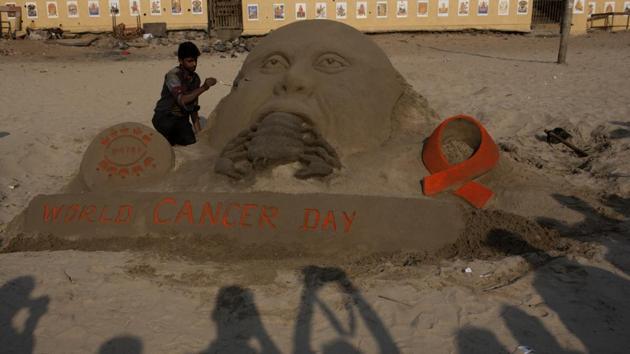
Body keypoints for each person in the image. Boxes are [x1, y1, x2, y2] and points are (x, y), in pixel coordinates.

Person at [152, 41, 216, 146]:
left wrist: (199, 133)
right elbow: (182, 100)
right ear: (180, 61)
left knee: (190, 141)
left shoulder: (195, 78)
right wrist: (204, 87)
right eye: (190, 61)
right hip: (165, 116)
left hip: (181, 119)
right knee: (169, 139)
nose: (194, 64)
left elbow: (193, 108)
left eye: (195, 60)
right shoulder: (173, 75)